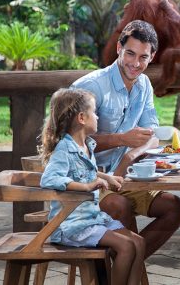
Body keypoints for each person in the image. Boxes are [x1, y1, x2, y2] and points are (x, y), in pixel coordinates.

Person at [72, 20, 180, 259]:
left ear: (152, 57)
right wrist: (121, 139)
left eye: (143, 57)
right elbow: (69, 142)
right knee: (120, 207)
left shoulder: (144, 84)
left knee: (174, 208)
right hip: (86, 182)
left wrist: (131, 155)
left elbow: (152, 133)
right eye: (130, 53)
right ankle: (127, 270)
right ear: (118, 49)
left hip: (124, 178)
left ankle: (121, 268)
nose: (136, 63)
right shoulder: (91, 87)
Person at [40, 88, 145, 285]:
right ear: (82, 118)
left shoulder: (86, 145)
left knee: (138, 243)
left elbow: (86, 169)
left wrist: (108, 177)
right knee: (126, 247)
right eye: (95, 112)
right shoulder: (64, 149)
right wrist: (87, 186)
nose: (97, 116)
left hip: (92, 219)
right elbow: (49, 179)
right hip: (71, 225)